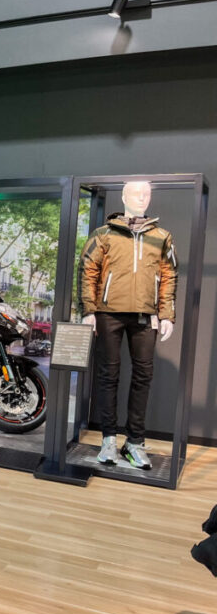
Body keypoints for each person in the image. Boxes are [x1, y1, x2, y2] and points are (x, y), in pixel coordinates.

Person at [78, 181, 178, 470]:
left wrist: (167, 313)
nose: (142, 197)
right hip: (108, 313)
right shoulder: (103, 234)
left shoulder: (161, 236)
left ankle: (134, 442)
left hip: (146, 316)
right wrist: (89, 310)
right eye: (136, 192)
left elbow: (169, 274)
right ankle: (108, 439)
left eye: (147, 193)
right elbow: (88, 270)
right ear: (123, 196)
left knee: (143, 376)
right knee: (108, 375)